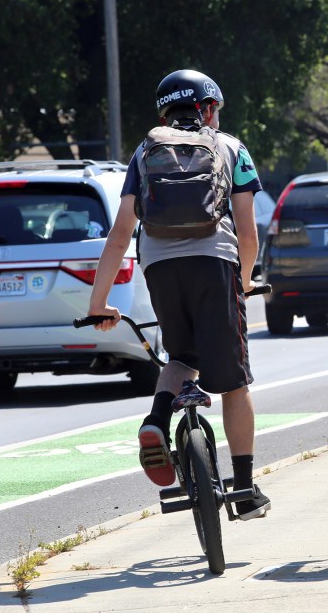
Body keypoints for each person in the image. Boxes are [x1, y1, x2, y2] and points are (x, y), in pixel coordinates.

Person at [86, 69, 271, 520]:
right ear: (207, 109)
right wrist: (246, 280)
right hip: (215, 263)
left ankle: (156, 421)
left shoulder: (144, 151)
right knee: (234, 381)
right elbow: (247, 232)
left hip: (160, 267)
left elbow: (121, 232)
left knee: (181, 357)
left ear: (163, 114)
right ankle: (244, 489)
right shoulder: (231, 148)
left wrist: (98, 304)